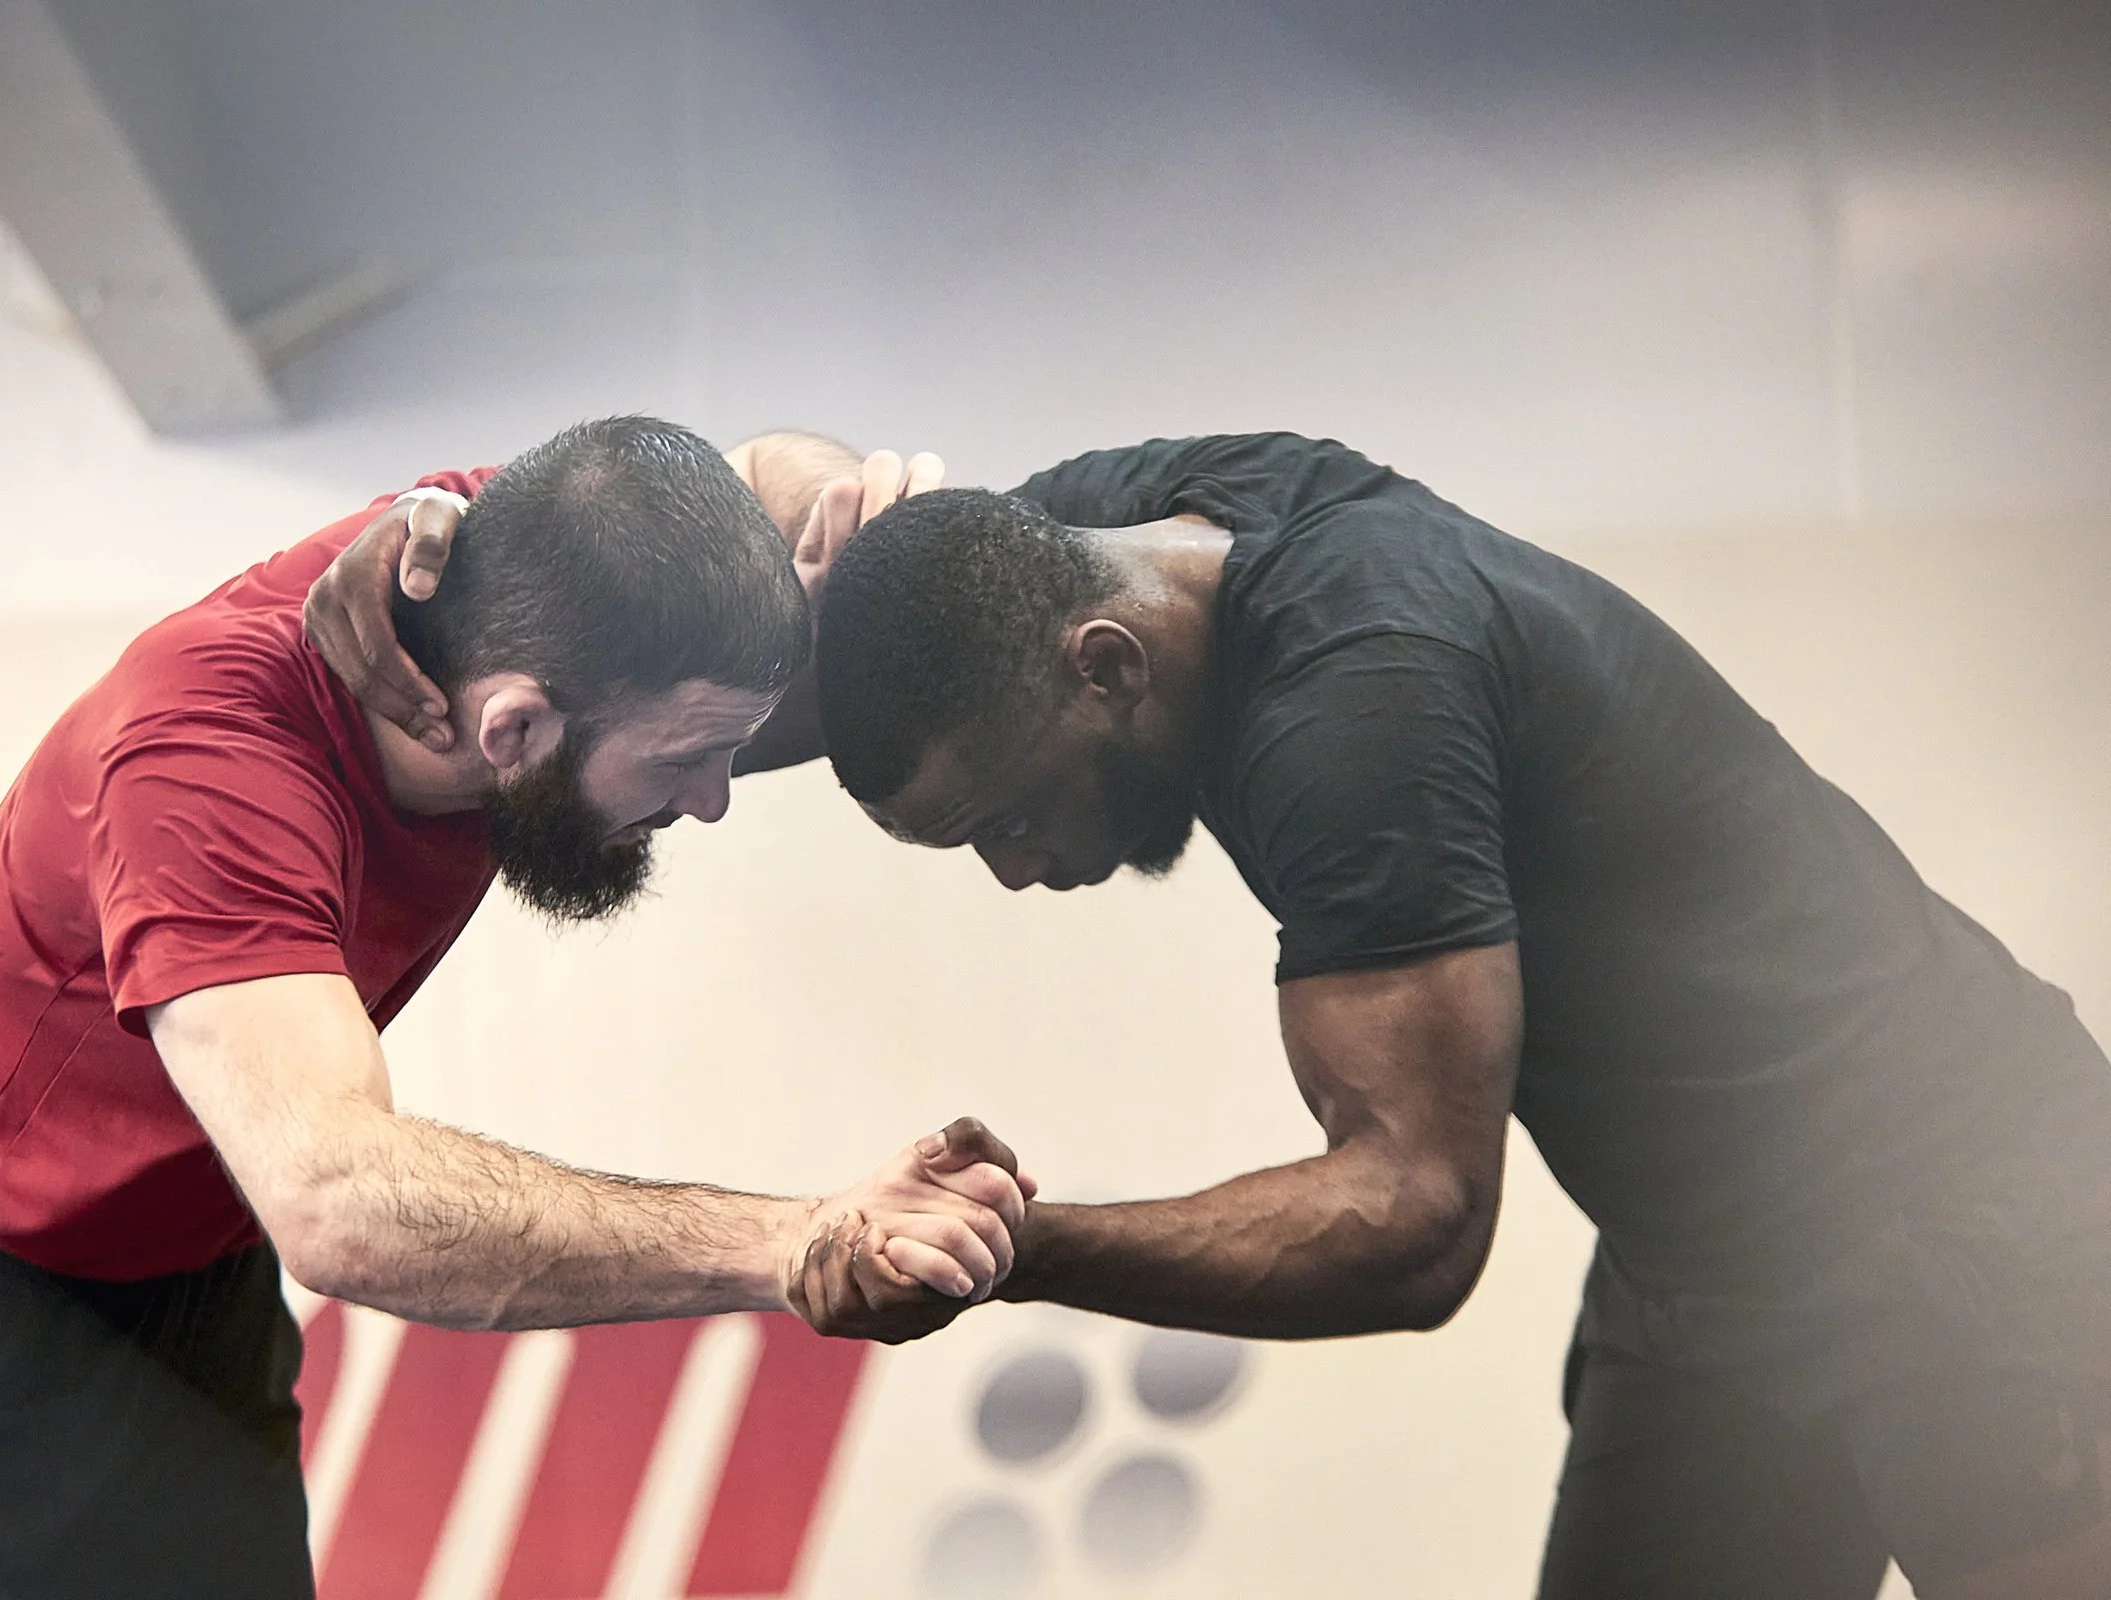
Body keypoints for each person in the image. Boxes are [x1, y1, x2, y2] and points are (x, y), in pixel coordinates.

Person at [339, 430, 2111, 1599]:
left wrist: (1006, 1249)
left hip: (1976, 1215)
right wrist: (467, 600)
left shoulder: (1357, 712)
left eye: (1010, 817)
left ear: (1103, 673)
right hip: (1715, 1255)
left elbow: (1412, 1225)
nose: (1019, 874)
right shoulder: (1104, 543)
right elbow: (804, 632)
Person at [0, 416, 1025, 1600]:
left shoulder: (506, 567)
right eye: (685, 761)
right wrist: (787, 1239)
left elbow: (741, 471)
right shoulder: (208, 766)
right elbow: (341, 1201)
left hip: (187, 1282)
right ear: (509, 732)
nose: (709, 803)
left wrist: (846, 502)